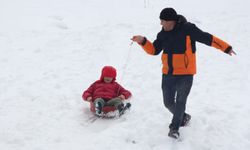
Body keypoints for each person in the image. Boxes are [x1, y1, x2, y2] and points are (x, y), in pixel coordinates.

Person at [131, 8, 236, 139]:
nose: (161, 24)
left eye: (163, 21)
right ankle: (183, 117)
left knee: (180, 101)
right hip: (168, 73)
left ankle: (174, 128)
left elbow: (207, 38)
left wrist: (226, 47)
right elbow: (154, 50)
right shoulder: (162, 34)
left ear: (171, 21)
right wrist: (143, 41)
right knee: (168, 103)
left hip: (186, 74)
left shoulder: (188, 29)